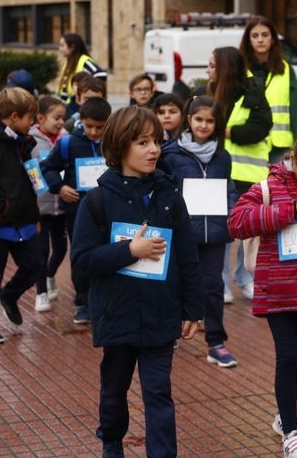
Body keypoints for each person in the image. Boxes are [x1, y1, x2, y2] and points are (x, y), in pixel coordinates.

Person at [70, 105, 203, 458]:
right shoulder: (97, 201)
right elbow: (82, 263)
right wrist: (131, 250)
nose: (154, 150)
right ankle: (112, 441)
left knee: (158, 391)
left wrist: (193, 308)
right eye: (142, 142)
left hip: (161, 313)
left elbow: (188, 256)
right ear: (119, 147)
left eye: (157, 141)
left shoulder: (169, 195)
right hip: (117, 313)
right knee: (114, 389)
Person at [227, 129, 297, 458]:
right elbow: (237, 223)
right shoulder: (269, 186)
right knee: (288, 355)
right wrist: (284, 212)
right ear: (292, 159)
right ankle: (291, 431)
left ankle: (284, 416)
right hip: (276, 286)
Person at [159, 95, 239, 368]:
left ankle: (215, 342)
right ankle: (170, 333)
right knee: (174, 283)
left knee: (213, 286)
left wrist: (231, 214)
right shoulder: (169, 154)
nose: (204, 125)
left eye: (210, 120)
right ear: (188, 119)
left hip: (215, 232)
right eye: (198, 119)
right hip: (183, 233)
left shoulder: (222, 156)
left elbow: (228, 188)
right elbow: (163, 191)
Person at [205, 45, 273, 302]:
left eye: (212, 65)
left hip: (249, 175)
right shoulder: (207, 93)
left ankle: (245, 278)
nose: (208, 70)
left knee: (250, 231)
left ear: (224, 68)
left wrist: (224, 130)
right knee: (220, 231)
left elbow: (260, 128)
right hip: (217, 174)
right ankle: (220, 283)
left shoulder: (252, 91)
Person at [41, 97, 112, 324]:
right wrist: (60, 187)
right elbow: (49, 167)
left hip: (109, 210)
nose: (93, 132)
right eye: (89, 126)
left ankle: (107, 300)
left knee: (111, 252)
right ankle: (83, 302)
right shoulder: (68, 143)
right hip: (78, 210)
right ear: (80, 120)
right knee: (81, 255)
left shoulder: (113, 142)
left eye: (99, 127)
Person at [0, 88, 45, 344]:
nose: (32, 123)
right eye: (29, 117)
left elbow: (29, 181)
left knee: (35, 263)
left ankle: (9, 296)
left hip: (24, 218)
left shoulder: (23, 142)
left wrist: (35, 215)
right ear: (13, 116)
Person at [239, 15, 297, 163]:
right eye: (255, 35)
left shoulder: (285, 70)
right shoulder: (239, 70)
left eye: (265, 35)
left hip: (279, 147)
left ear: (273, 39)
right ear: (248, 41)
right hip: (247, 142)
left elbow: (296, 111)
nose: (260, 39)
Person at [28, 95, 68, 312]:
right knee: (41, 250)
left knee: (61, 248)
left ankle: (50, 274)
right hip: (40, 206)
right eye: (56, 118)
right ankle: (41, 292)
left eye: (63, 117)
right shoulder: (31, 141)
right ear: (41, 118)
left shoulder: (66, 139)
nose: (61, 122)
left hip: (62, 205)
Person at [56, 33, 107, 102]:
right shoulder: (68, 63)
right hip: (67, 105)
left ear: (72, 47)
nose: (60, 49)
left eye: (62, 45)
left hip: (78, 105)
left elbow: (101, 75)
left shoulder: (84, 61)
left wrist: (86, 90)